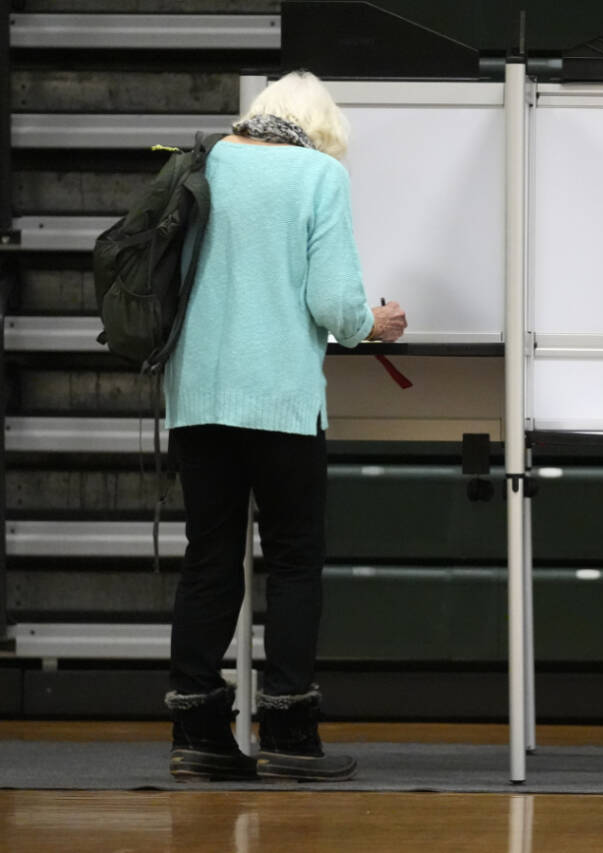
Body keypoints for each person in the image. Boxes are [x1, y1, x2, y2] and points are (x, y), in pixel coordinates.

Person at [163, 70, 407, 782]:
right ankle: (289, 732)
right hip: (279, 403)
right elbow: (334, 302)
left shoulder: (203, 163)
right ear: (321, 129)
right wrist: (375, 322)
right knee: (295, 560)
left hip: (198, 399)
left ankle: (199, 733)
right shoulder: (318, 175)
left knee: (210, 557)